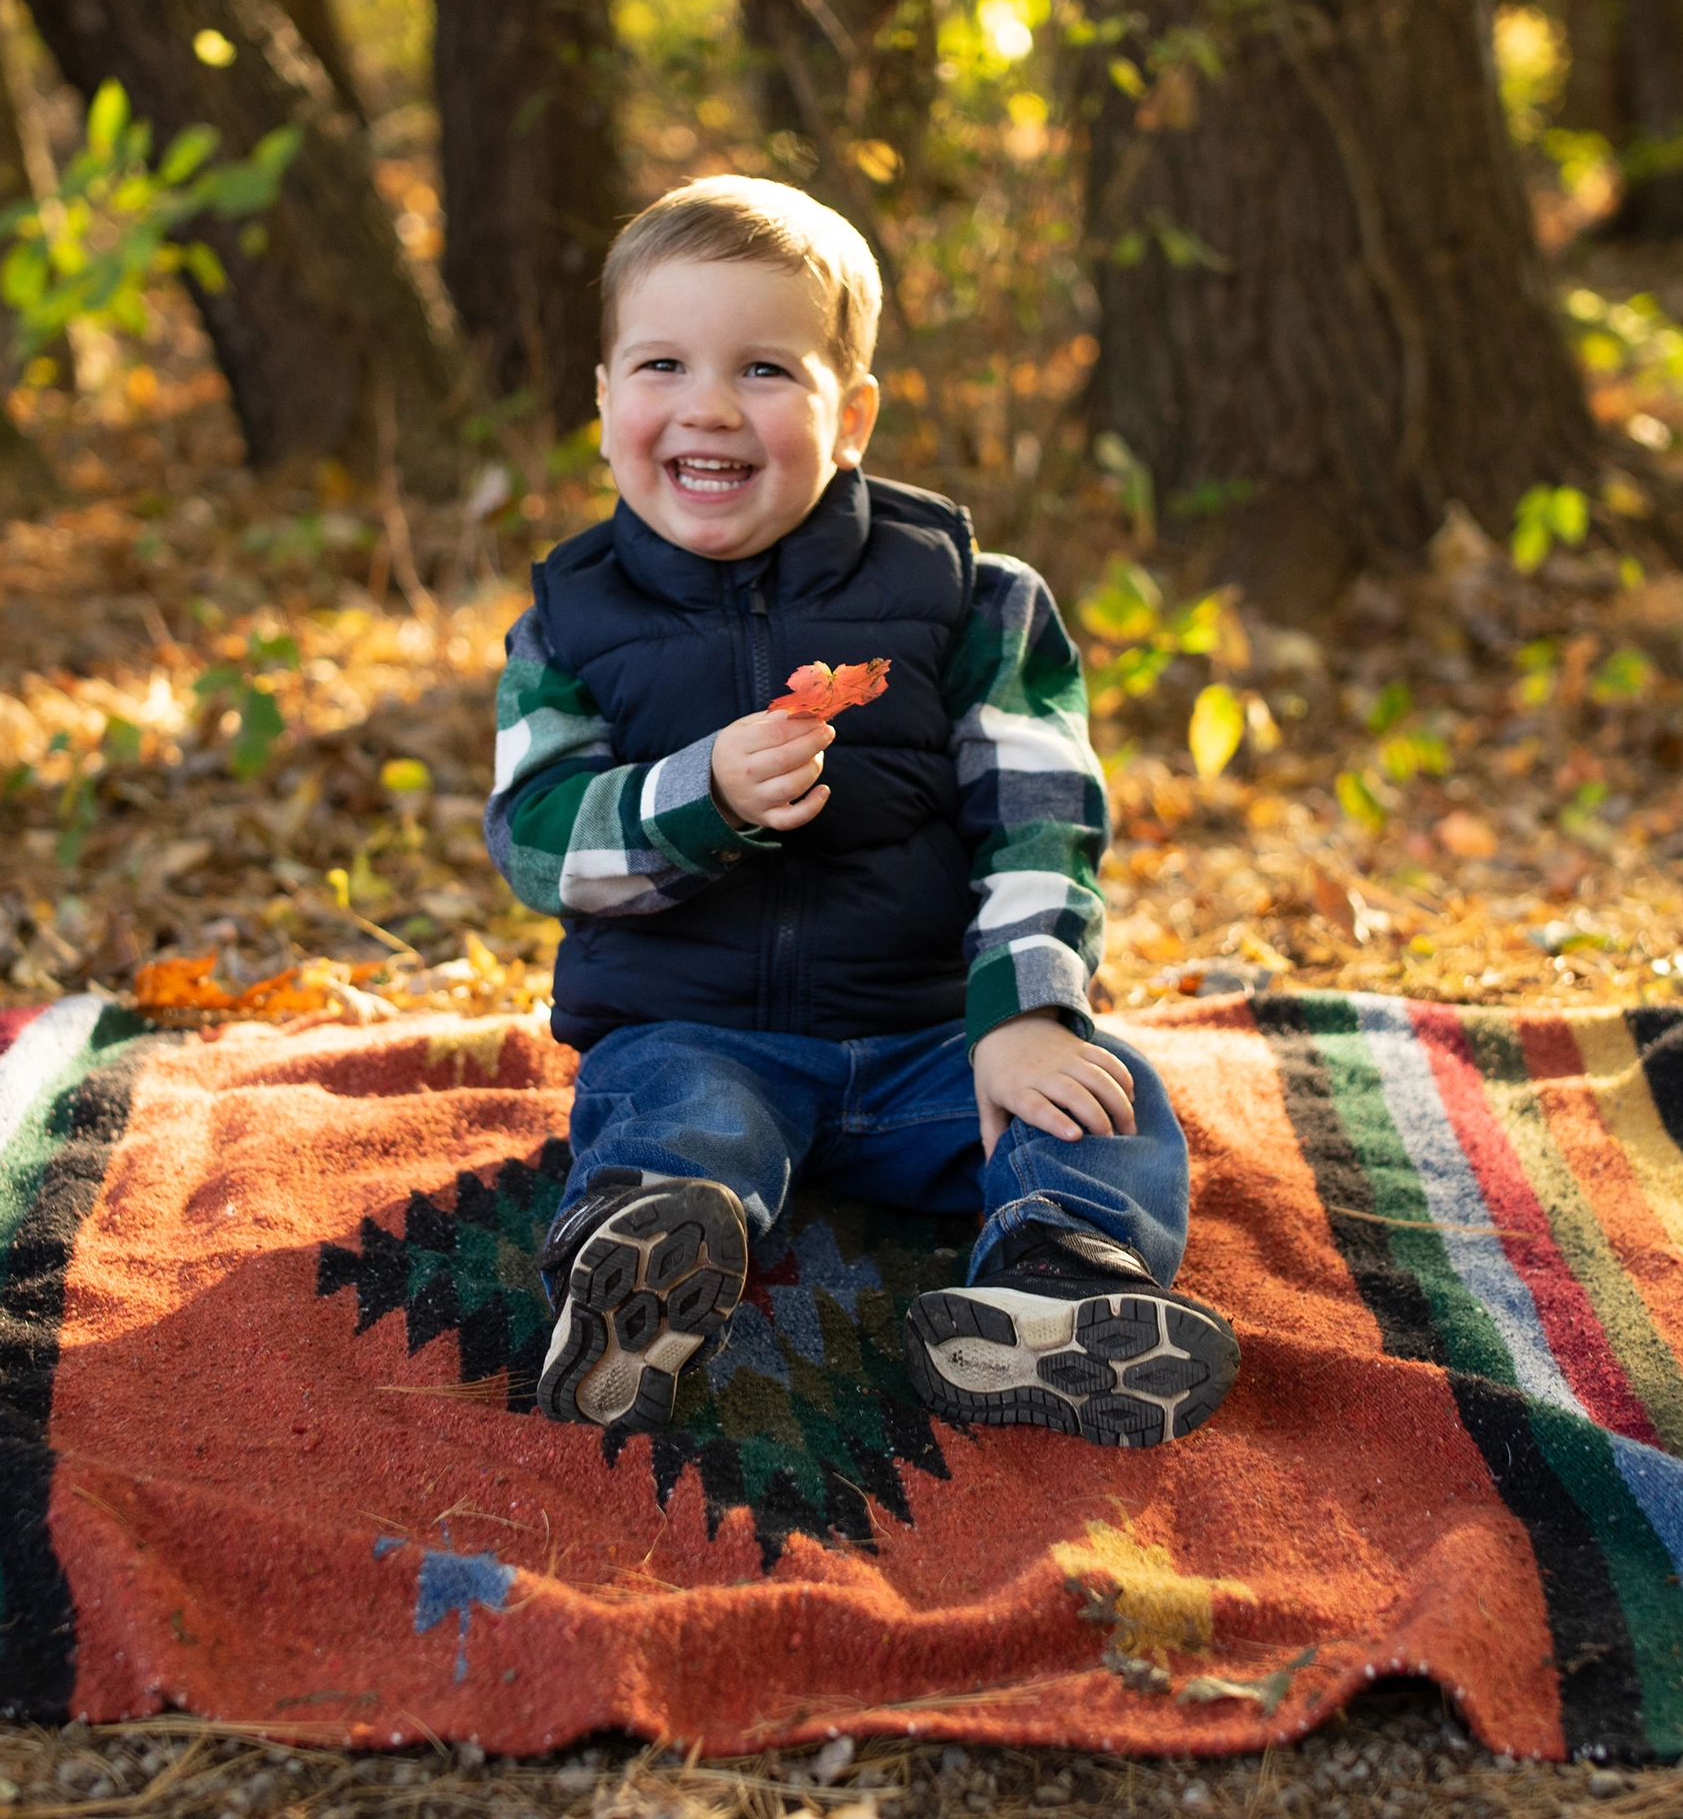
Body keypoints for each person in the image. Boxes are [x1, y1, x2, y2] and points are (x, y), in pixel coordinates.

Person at [484, 176, 1237, 1449]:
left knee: (1106, 1098)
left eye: (766, 369)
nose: (710, 406)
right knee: (671, 1115)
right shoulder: (569, 620)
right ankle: (647, 1266)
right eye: (663, 362)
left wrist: (1026, 1017)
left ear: (853, 415)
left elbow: (1038, 817)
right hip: (696, 1026)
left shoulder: (967, 599)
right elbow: (539, 844)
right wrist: (695, 799)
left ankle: (1060, 1287)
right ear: (606, 398)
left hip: (925, 1040)